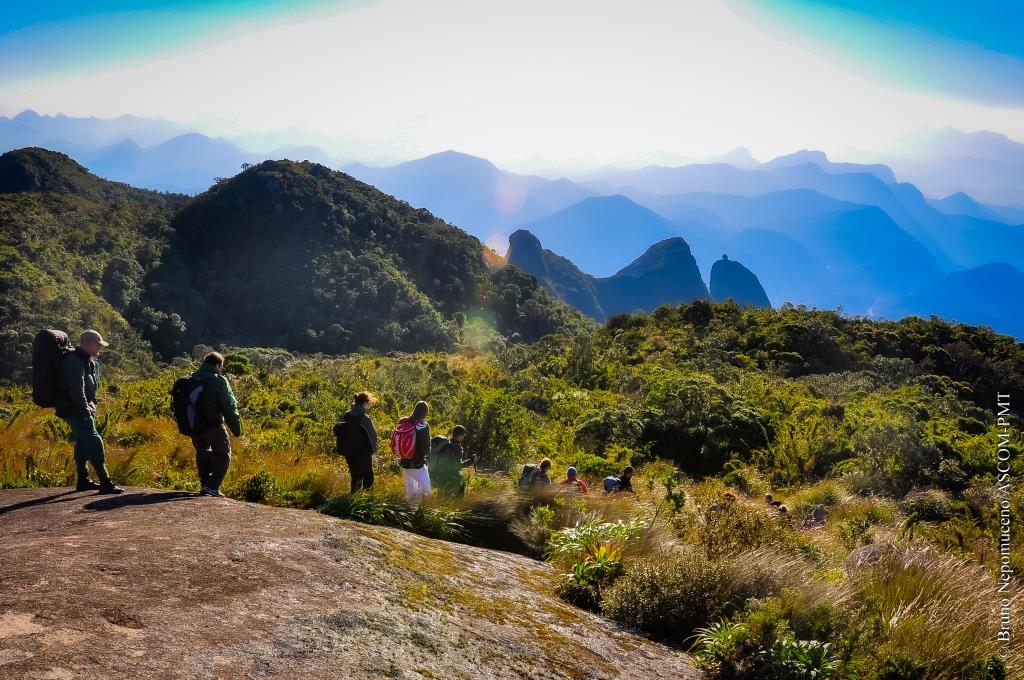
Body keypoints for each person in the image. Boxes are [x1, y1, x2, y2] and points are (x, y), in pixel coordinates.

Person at [56, 330, 123, 494]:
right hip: (75, 409)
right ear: (86, 344)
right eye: (98, 344)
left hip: (84, 408)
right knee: (94, 440)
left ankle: (83, 480)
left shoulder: (87, 360)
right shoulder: (73, 360)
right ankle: (105, 481)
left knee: (82, 442)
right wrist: (85, 412)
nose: (100, 347)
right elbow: (76, 390)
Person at [190, 352, 242, 497]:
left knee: (202, 451)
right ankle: (212, 486)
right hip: (213, 425)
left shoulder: (192, 377)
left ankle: (205, 485)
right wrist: (237, 429)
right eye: (221, 366)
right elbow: (228, 406)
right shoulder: (218, 380)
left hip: (195, 426)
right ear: (218, 365)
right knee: (223, 454)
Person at [334, 392, 378, 493]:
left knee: (356, 477)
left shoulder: (347, 415)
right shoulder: (364, 418)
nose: (369, 406)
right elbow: (372, 437)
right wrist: (373, 451)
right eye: (369, 404)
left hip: (349, 452)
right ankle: (366, 502)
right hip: (363, 454)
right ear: (365, 403)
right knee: (369, 479)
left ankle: (353, 500)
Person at [399, 401, 432, 505]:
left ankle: (408, 511)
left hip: (405, 462)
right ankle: (420, 513)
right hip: (418, 463)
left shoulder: (403, 421)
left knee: (410, 490)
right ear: (425, 413)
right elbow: (426, 449)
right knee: (426, 490)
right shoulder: (423, 425)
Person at [429, 425, 476, 496]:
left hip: (437, 475)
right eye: (463, 435)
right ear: (460, 436)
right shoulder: (456, 446)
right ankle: (458, 504)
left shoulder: (447, 443)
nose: (463, 437)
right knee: (459, 487)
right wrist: (471, 461)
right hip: (450, 477)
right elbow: (458, 465)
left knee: (442, 496)